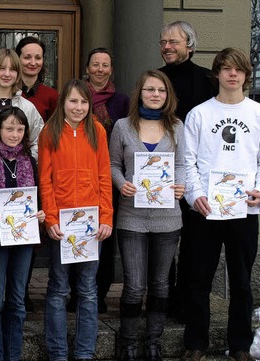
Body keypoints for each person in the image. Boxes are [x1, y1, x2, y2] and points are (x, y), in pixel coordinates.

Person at [182, 48, 260, 361]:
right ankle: (195, 344)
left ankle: (240, 345)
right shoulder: (200, 114)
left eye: (238, 70)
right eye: (226, 69)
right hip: (205, 209)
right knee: (198, 279)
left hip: (244, 209)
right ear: (217, 74)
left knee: (242, 281)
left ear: (245, 75)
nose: (232, 74)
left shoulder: (256, 113)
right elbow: (187, 162)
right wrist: (194, 195)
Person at [108, 70, 185, 361]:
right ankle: (127, 343)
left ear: (168, 96)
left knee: (160, 284)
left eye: (161, 90)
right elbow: (113, 164)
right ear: (140, 92)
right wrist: (121, 183)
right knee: (135, 285)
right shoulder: (123, 127)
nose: (155, 94)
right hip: (132, 217)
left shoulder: (177, 126)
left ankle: (153, 341)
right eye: (150, 89)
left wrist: (182, 185)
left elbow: (181, 165)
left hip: (168, 217)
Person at [38, 79, 113, 361]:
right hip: (62, 223)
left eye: (83, 102)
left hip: (92, 224)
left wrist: (106, 216)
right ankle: (57, 353)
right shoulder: (49, 132)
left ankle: (84, 352)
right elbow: (45, 180)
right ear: (63, 103)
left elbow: (104, 177)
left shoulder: (98, 131)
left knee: (88, 290)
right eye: (73, 101)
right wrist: (51, 218)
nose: (78, 107)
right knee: (58, 288)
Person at [0, 107, 45, 360]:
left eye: (20, 129)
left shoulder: (29, 161)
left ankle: (13, 354)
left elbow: (36, 199)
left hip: (23, 239)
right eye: (9, 128)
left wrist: (39, 214)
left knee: (17, 300)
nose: (14, 134)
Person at [158, 20, 218, 323]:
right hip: (160, 175)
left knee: (195, 246)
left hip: (197, 176)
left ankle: (187, 305)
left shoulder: (208, 80)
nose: (167, 47)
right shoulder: (156, 79)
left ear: (189, 45)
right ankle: (163, 300)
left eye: (174, 42)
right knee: (162, 239)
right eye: (163, 42)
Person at [68, 47, 130, 314]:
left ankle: (100, 292)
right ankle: (74, 293)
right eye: (96, 64)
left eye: (105, 65)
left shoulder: (122, 101)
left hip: (105, 179)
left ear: (111, 69)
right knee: (74, 237)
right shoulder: (75, 98)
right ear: (87, 67)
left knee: (102, 238)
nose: (100, 69)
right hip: (74, 181)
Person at [14, 36, 58, 122]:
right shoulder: (8, 92)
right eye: (27, 57)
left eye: (38, 58)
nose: (33, 63)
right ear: (17, 59)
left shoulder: (52, 96)